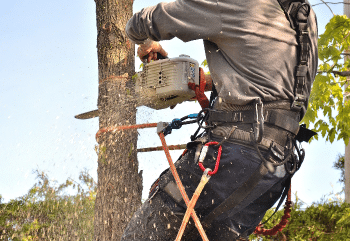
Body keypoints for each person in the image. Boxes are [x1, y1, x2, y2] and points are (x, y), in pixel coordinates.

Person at [121, 0, 318, 240]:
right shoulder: (303, 16)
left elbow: (141, 24)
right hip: (274, 169)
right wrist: (209, 82)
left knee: (143, 233)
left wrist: (146, 43)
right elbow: (271, 84)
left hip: (231, 159)